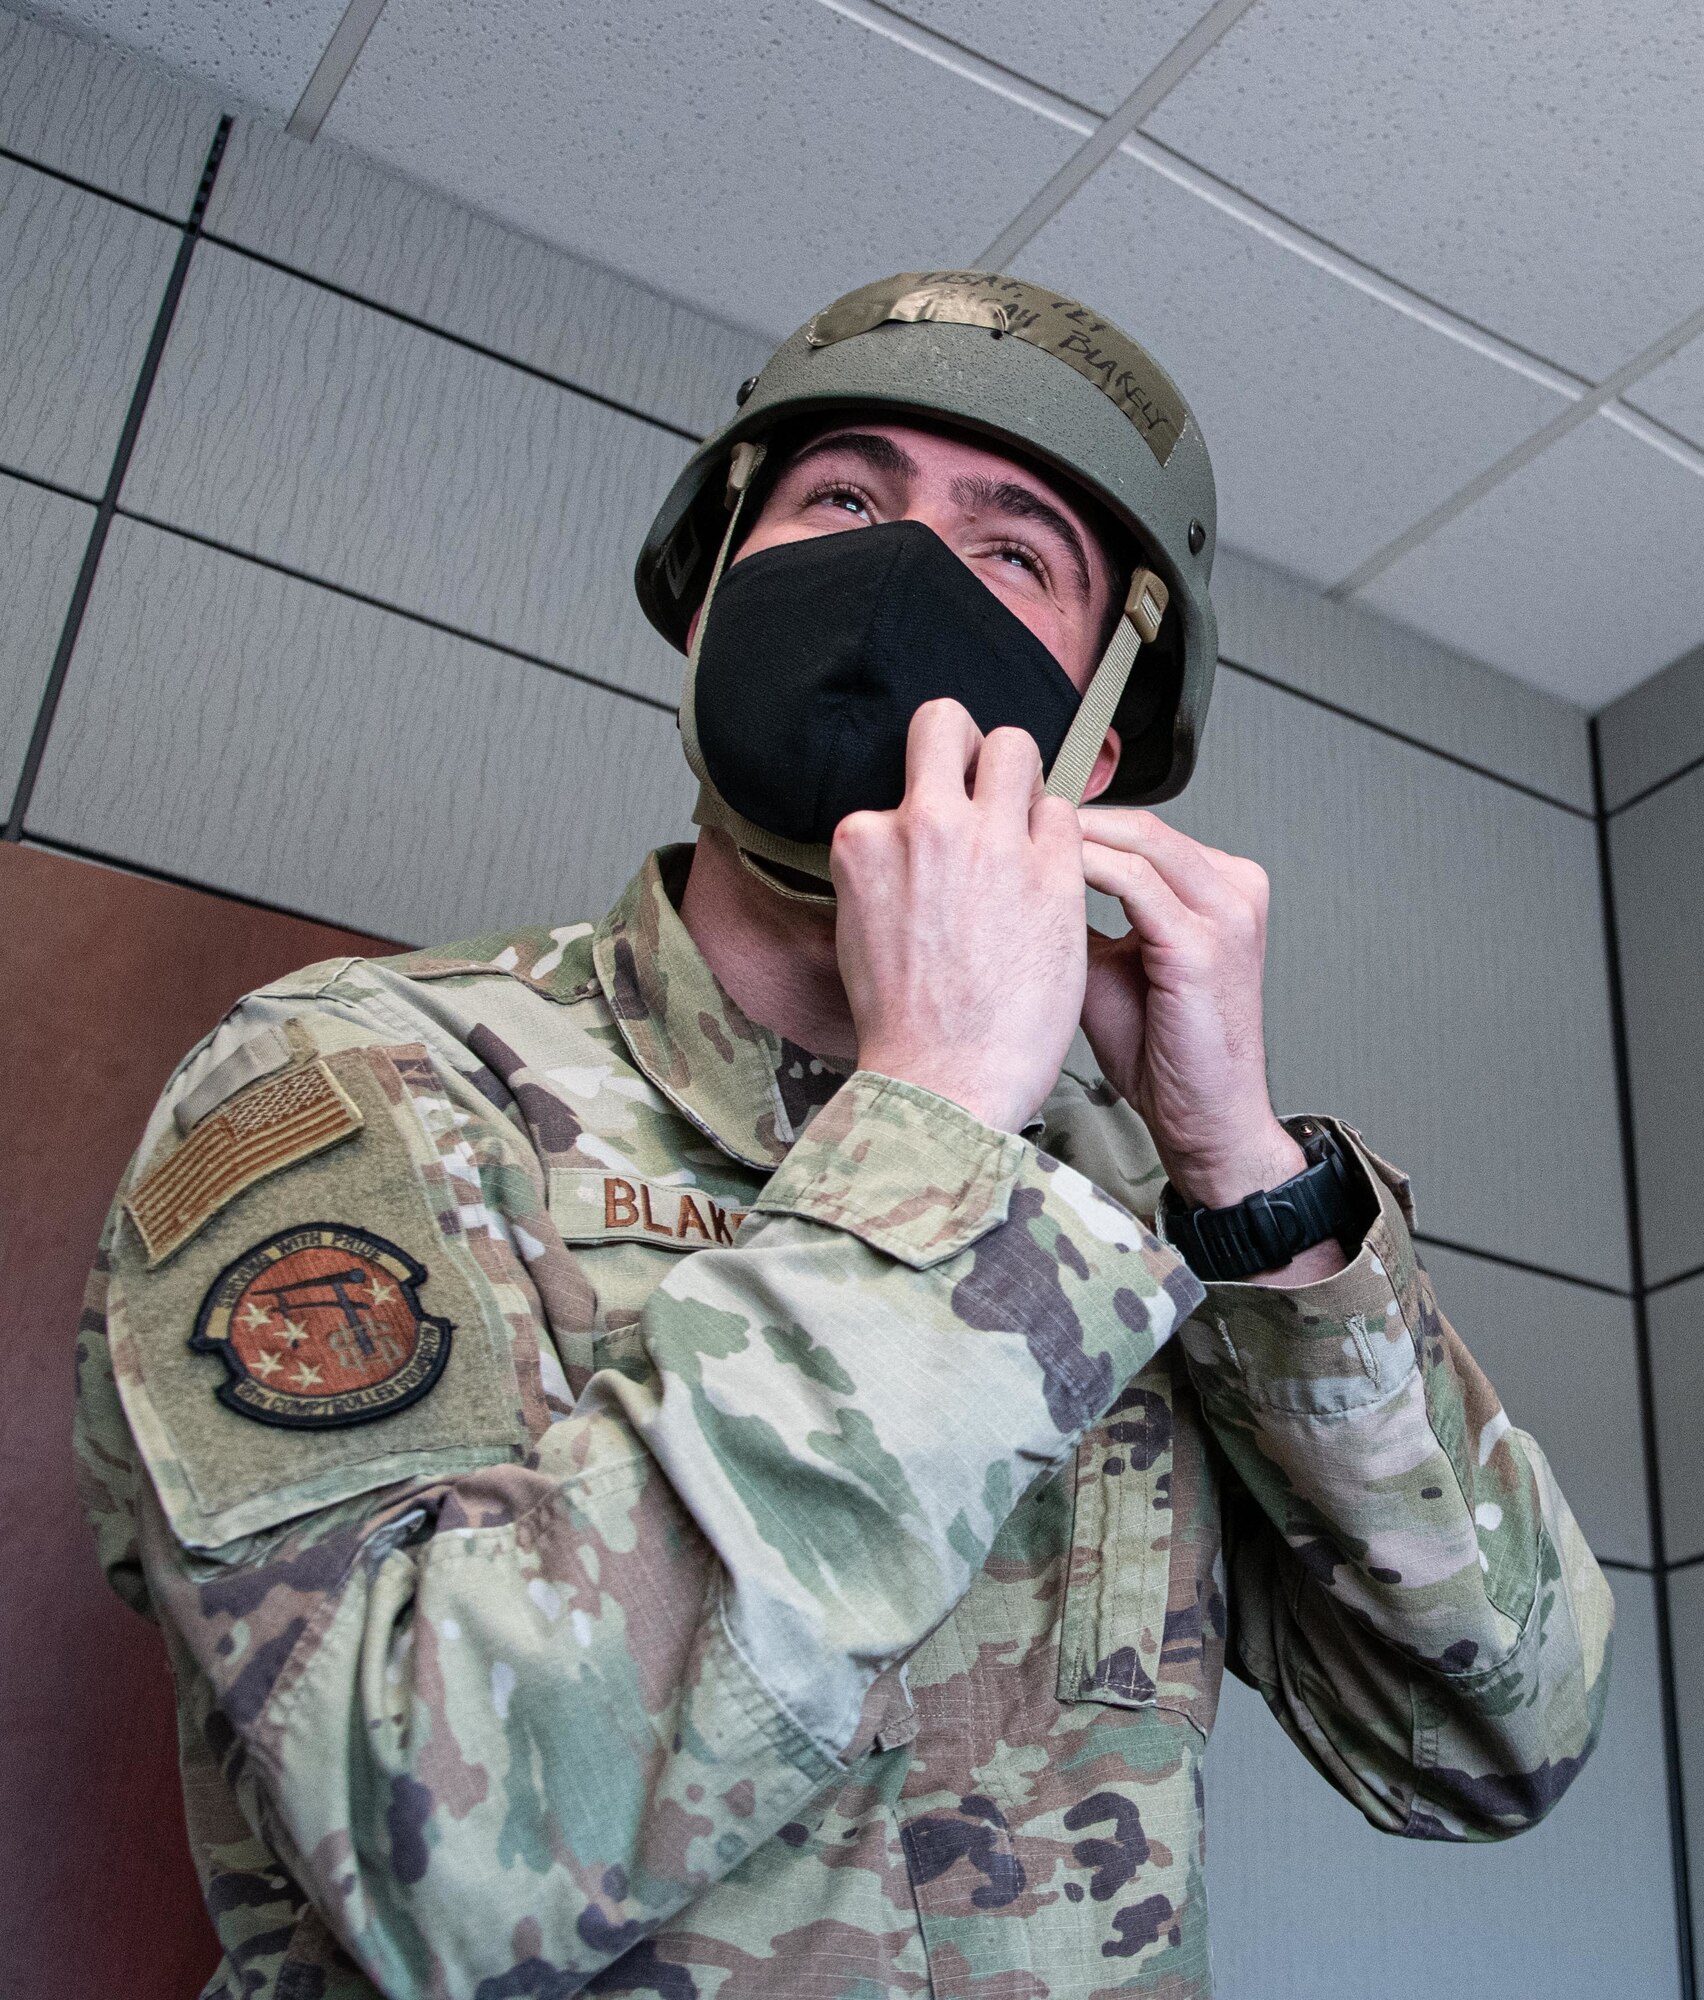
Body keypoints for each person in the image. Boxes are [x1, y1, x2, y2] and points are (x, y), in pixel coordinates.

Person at [76, 271, 1612, 2000]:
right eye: (844, 501)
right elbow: (435, 1843)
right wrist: (938, 1119)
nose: (902, 572)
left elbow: (1496, 1740)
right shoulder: (354, 1080)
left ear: (1102, 737)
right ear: (714, 590)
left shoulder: (1124, 1215)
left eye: (1014, 554)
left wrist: (1245, 1186)